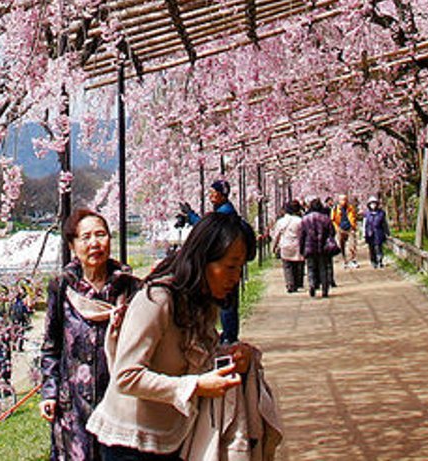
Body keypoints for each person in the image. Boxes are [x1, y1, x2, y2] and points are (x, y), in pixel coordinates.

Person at [87, 211, 265, 461]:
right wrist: (195, 386)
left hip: (172, 437)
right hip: (129, 445)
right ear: (203, 260)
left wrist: (234, 356)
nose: (236, 278)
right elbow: (126, 376)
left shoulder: (200, 301)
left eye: (240, 267)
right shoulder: (157, 300)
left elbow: (193, 355)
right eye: (230, 266)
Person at [39, 208, 141, 461]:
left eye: (101, 234)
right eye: (86, 237)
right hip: (73, 406)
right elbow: (52, 346)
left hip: (120, 403)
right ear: (73, 245)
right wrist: (49, 393)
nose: (95, 243)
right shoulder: (62, 286)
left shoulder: (130, 287)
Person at [206, 180, 241, 341]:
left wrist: (192, 217)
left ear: (221, 195)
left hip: (226, 262)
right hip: (229, 261)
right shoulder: (226, 210)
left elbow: (211, 229)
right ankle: (229, 333)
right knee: (228, 299)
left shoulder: (225, 213)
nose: (210, 196)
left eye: (213, 193)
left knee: (227, 300)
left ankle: (229, 335)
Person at [297, 199, 337, 298]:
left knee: (311, 268)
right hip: (323, 248)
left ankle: (311, 284)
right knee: (323, 268)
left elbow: (302, 235)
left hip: (309, 247)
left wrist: (301, 248)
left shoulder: (305, 219)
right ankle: (324, 290)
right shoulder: (325, 219)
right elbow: (332, 232)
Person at [269, 200, 305, 293]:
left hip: (285, 245)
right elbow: (304, 234)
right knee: (298, 264)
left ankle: (290, 284)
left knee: (287, 266)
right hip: (297, 244)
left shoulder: (281, 221)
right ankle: (297, 283)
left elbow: (276, 236)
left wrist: (274, 247)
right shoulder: (300, 221)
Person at [361, 197, 390, 268]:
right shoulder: (367, 214)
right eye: (371, 204)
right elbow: (365, 224)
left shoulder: (381, 213)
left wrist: (387, 232)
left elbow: (384, 223)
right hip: (370, 233)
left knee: (378, 247)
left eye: (374, 203)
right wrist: (364, 233)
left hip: (378, 232)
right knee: (371, 248)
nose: (373, 205)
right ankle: (373, 261)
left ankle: (380, 260)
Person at [335, 196, 360, 268]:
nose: (344, 201)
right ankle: (344, 260)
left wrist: (354, 226)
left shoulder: (350, 208)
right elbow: (332, 219)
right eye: (342, 200)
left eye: (345, 200)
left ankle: (352, 260)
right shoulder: (336, 209)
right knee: (341, 246)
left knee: (352, 245)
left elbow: (354, 217)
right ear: (339, 200)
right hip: (340, 229)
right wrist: (336, 228)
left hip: (350, 228)